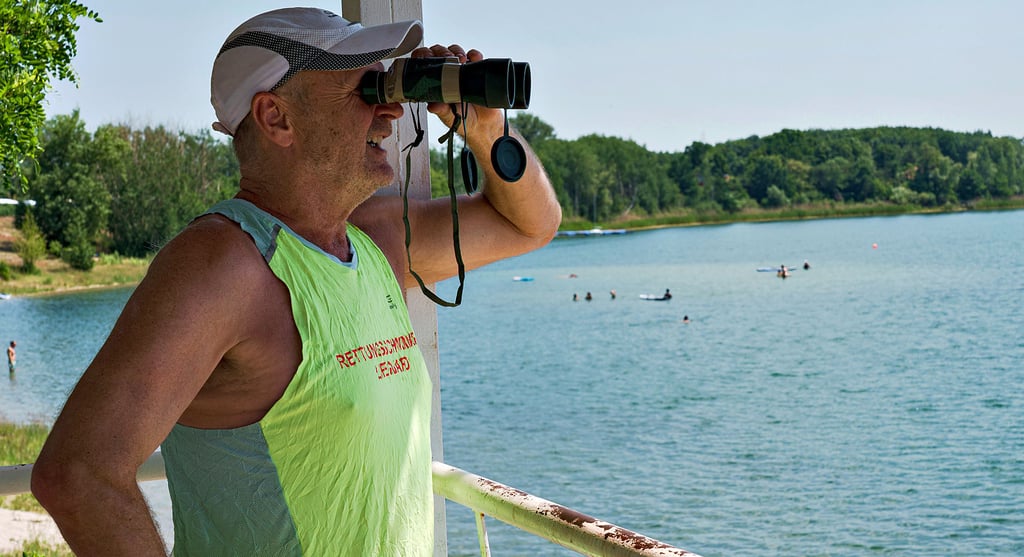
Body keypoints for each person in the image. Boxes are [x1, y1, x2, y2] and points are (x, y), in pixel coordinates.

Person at [31, 8, 560, 557]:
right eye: (364, 89)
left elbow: (531, 222)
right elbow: (78, 473)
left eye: (385, 84)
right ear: (276, 117)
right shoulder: (224, 264)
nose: (390, 110)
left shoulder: (374, 240)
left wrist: (485, 128)